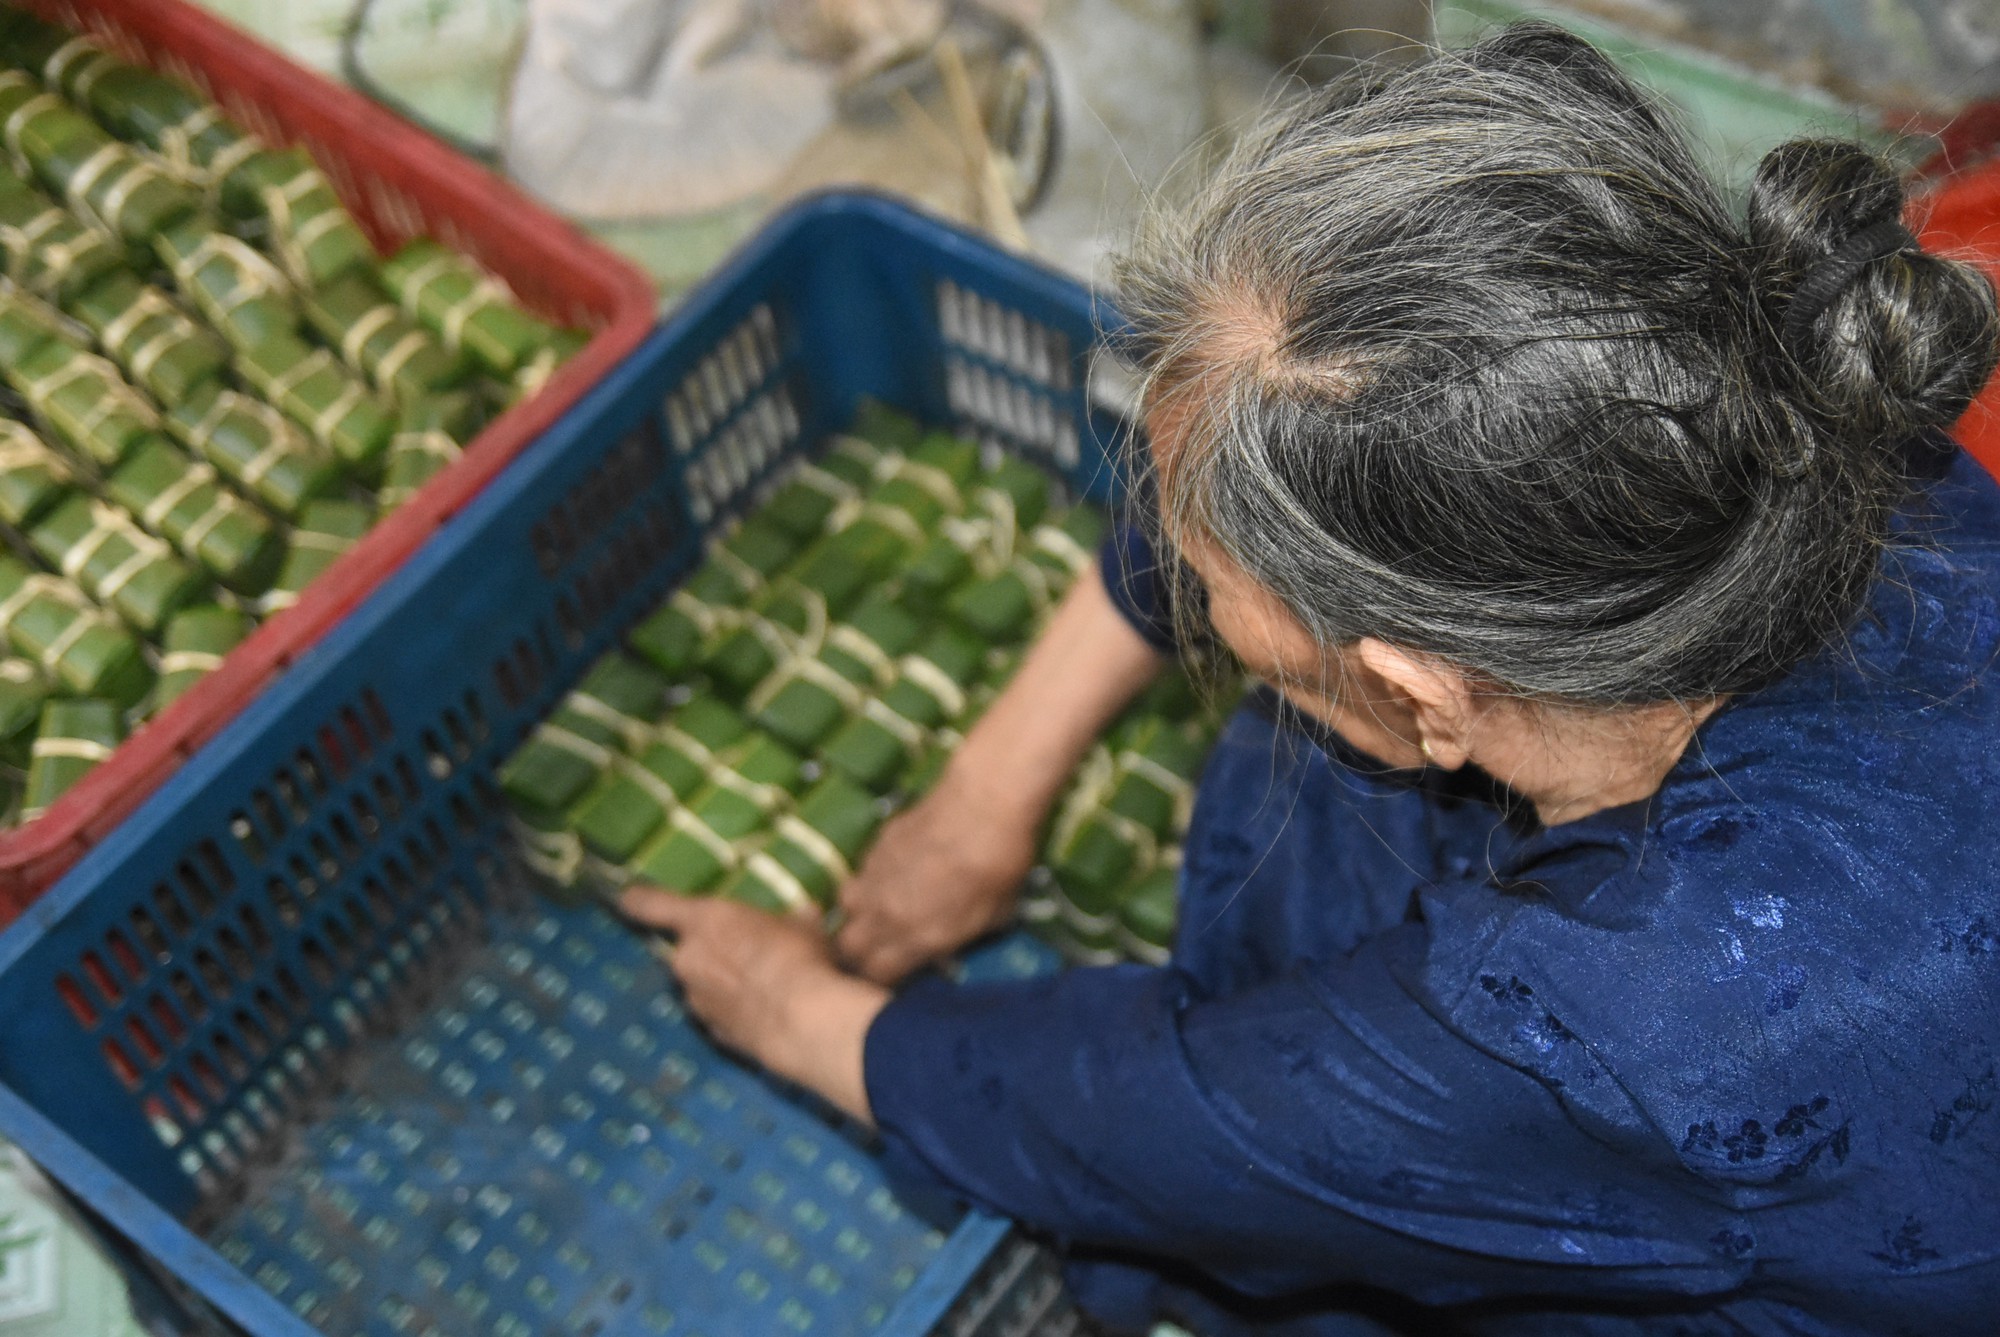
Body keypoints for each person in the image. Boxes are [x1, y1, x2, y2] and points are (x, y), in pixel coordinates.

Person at [620, 23, 2000, 1335]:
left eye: (1213, 579)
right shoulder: (1819, 454)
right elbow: (1284, 470)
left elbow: (1181, 1129)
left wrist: (796, 1011)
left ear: (1425, 688)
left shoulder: (1616, 1028)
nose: (1181, 576)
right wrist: (992, 784)